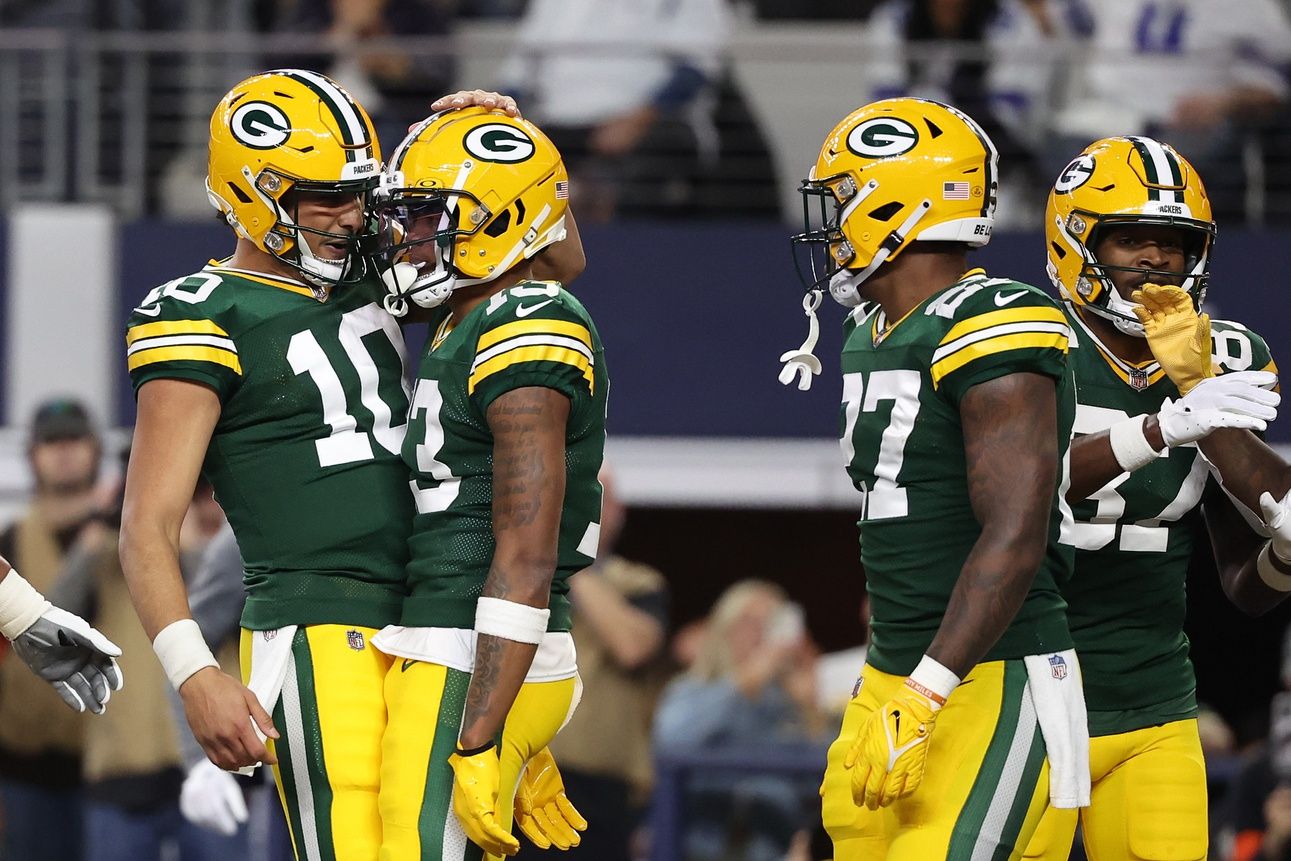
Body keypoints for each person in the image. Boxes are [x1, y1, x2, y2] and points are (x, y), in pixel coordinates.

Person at [118, 68, 415, 861]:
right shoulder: (201, 311)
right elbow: (146, 525)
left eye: (357, 193)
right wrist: (193, 673)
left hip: (432, 616)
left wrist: (501, 140)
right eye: (325, 196)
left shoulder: (369, 269)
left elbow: (555, 265)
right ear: (256, 192)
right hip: (320, 623)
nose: (351, 215)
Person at [783, 97, 1087, 857]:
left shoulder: (990, 316)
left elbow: (1016, 531)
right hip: (894, 669)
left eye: (844, 196)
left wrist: (926, 689)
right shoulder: (869, 329)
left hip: (992, 675)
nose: (831, 221)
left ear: (897, 201)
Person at [1022, 136, 1290, 861]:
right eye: (1130, 239)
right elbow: (1023, 490)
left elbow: (1244, 579)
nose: (1154, 261)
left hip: (1153, 704)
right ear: (1074, 243)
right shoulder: (1023, 341)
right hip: (1016, 697)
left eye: (1172, 245)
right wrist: (1161, 423)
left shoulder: (1224, 355)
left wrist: (1197, 387)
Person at [368, 105, 606, 859]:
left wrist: (481, 733)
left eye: (427, 215)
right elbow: (555, 246)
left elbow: (527, 551)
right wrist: (504, 130)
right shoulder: (473, 312)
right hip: (453, 634)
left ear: (498, 222)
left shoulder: (525, 318)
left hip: (469, 639)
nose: (408, 237)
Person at [0, 399, 124, 861]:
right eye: (51, 442)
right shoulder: (9, 543)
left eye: (75, 439)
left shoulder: (129, 540)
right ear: (32, 455)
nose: (64, 451)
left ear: (95, 449)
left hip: (111, 774)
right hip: (22, 768)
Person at [653, 579, 825, 861]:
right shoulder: (693, 689)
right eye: (749, 621)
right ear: (724, 628)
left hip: (770, 849)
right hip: (695, 845)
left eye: (771, 622)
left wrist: (812, 713)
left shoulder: (791, 703)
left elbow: (820, 786)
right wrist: (746, 683)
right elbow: (669, 740)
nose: (760, 633)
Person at [548, 466, 669, 861]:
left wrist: (569, 557)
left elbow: (632, 646)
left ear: (619, 512)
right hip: (521, 772)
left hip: (600, 788)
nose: (592, 508)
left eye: (603, 498)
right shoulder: (522, 571)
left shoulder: (638, 581)